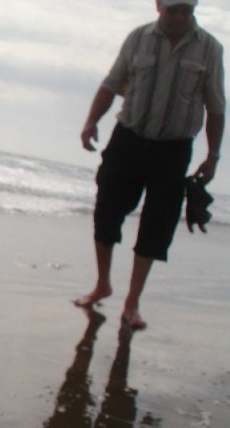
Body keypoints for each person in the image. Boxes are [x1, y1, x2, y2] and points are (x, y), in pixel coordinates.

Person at [76, 0, 225, 329]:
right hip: (128, 138)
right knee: (107, 211)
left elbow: (216, 105)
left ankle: (132, 303)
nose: (180, 16)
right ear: (158, 5)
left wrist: (212, 156)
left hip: (173, 150)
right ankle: (103, 283)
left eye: (187, 9)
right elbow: (111, 83)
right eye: (173, 9)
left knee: (157, 225)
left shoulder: (211, 49)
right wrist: (90, 122)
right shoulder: (138, 38)